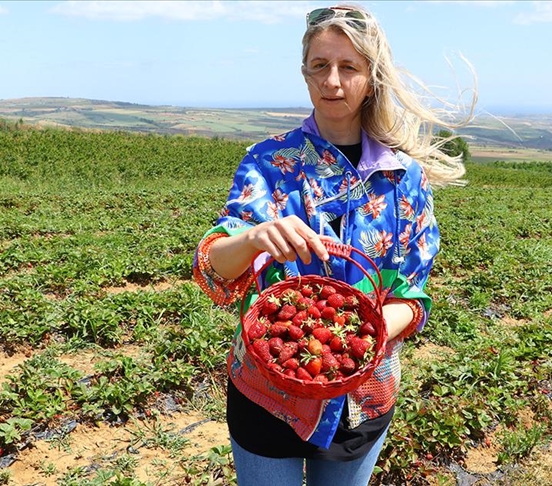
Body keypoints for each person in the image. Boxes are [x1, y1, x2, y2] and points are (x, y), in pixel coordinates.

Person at [192, 4, 472, 485]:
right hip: (267, 387)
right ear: (304, 73)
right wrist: (255, 237)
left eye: (349, 67)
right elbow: (214, 267)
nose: (333, 82)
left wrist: (363, 332)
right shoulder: (269, 160)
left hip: (361, 396)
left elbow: (413, 293)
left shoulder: (403, 178)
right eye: (320, 66)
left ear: (372, 76)